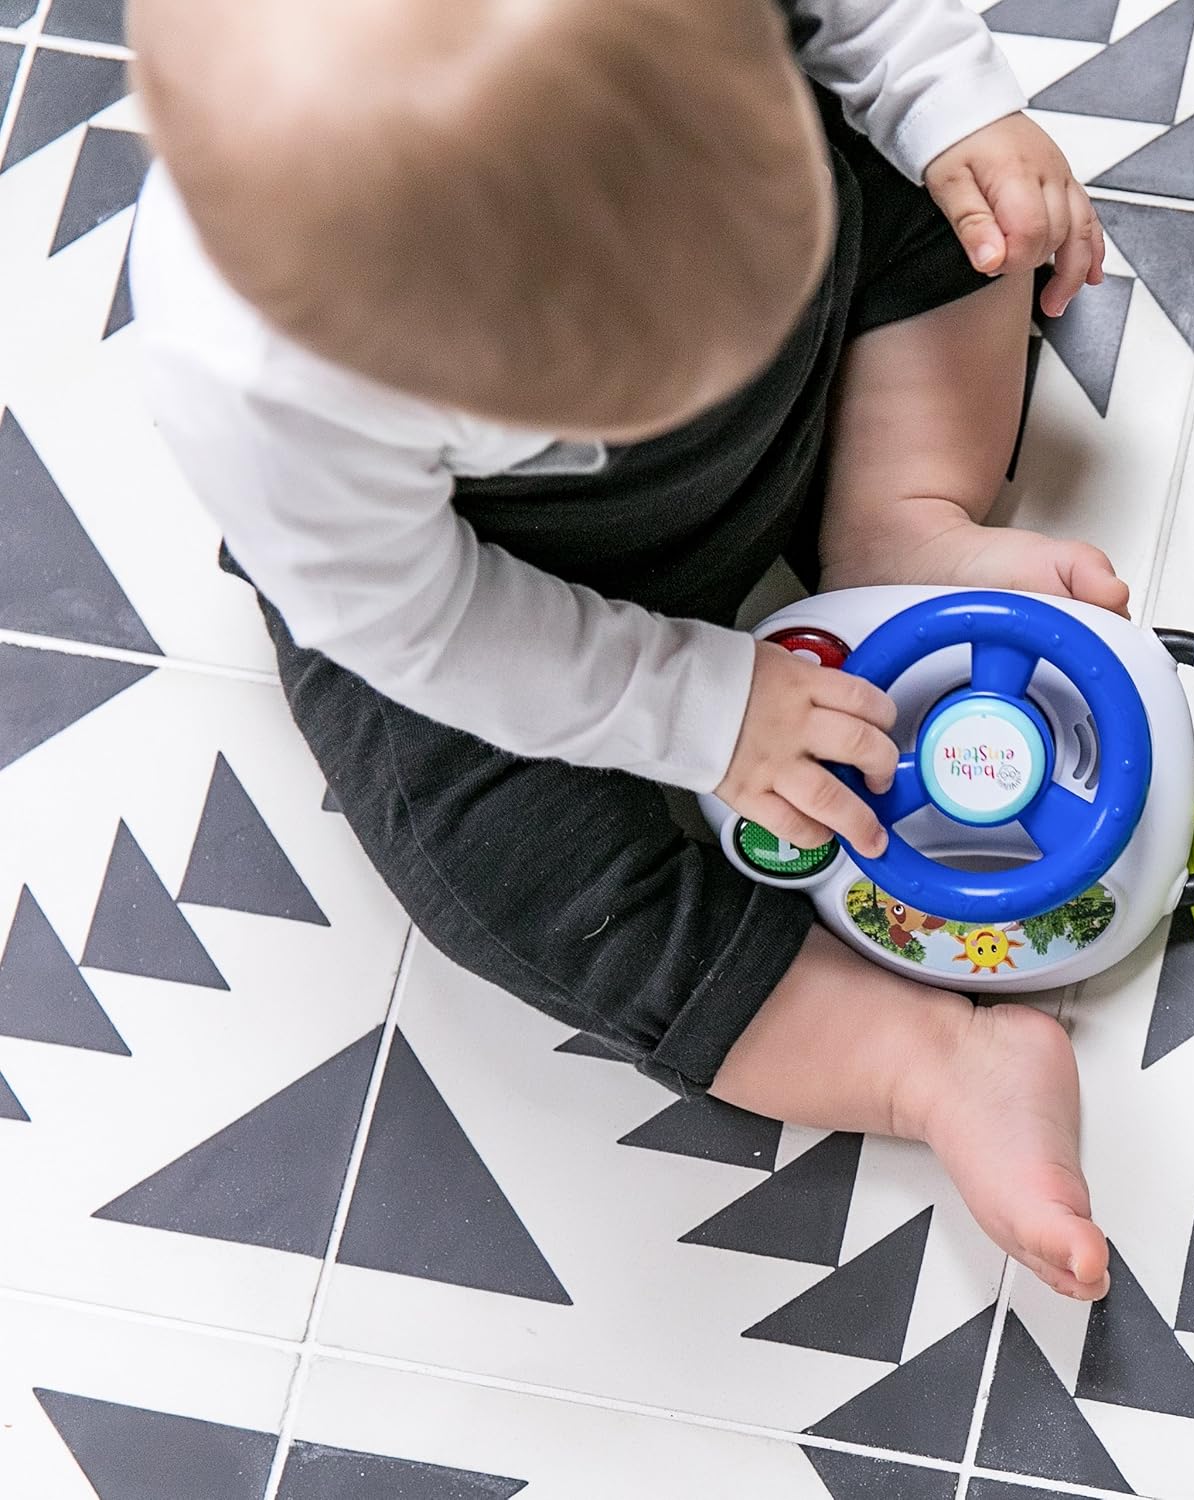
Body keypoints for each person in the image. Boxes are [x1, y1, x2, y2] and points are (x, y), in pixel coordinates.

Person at [127, 0, 1128, 1300]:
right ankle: (924, 1060)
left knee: (966, 203)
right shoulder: (258, 379)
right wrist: (700, 709)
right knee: (480, 853)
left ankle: (897, 523)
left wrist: (946, 99)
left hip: (799, 266)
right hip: (513, 580)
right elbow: (429, 628)